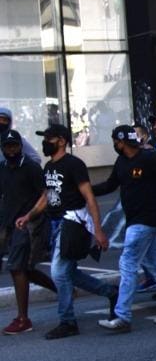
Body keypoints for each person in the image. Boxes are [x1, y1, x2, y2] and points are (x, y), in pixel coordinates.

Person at [14, 124, 113, 340]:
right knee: (68, 273)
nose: (44, 142)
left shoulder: (74, 164)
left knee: (59, 272)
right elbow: (46, 197)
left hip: (73, 223)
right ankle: (111, 292)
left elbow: (89, 197)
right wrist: (29, 216)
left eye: (49, 138)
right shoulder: (49, 167)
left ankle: (67, 321)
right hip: (57, 224)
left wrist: (98, 230)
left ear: (61, 141)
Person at [91, 125, 156, 332]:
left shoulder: (149, 159)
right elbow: (109, 185)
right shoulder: (122, 161)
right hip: (134, 221)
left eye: (116, 142)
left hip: (145, 221)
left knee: (127, 263)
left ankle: (122, 316)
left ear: (122, 142)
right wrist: (85, 190)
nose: (115, 145)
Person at [1, 129, 55, 335]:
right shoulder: (2, 168)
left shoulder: (31, 168)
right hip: (8, 225)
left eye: (14, 146)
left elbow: (46, 195)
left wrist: (30, 216)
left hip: (28, 225)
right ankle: (61, 290)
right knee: (26, 270)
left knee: (16, 267)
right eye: (7, 146)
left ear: (20, 147)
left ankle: (23, 319)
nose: (11, 150)